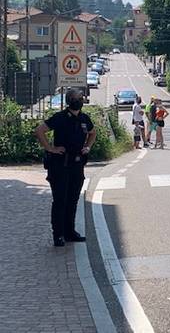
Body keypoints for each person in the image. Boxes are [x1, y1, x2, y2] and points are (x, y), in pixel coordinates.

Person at [34, 88, 96, 247]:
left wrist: (87, 147)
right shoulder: (60, 118)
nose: (80, 100)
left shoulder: (84, 118)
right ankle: (58, 235)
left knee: (73, 200)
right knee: (60, 201)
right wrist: (50, 148)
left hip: (77, 165)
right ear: (70, 101)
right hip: (60, 165)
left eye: (81, 98)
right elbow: (40, 130)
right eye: (78, 98)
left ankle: (70, 232)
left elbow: (93, 133)